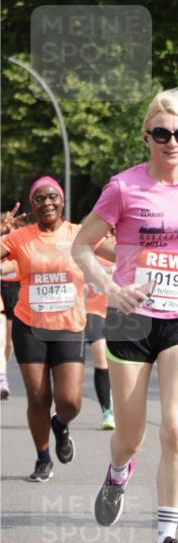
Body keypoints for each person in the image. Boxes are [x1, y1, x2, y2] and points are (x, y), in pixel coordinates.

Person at [72, 88, 178, 543]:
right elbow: (81, 246)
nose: (172, 142)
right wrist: (111, 289)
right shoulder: (123, 187)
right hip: (131, 317)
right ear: (146, 136)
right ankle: (118, 472)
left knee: (177, 429)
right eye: (162, 133)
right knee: (131, 436)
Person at [0, 183, 86, 482]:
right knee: (38, 398)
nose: (46, 202)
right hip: (30, 327)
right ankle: (43, 457)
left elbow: (116, 253)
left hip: (69, 326)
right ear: (32, 204)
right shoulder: (19, 237)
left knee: (70, 402)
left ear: (62, 200)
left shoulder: (78, 234)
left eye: (52, 197)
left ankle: (60, 424)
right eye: (39, 198)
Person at [84, 250, 115, 430]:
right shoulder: (86, 250)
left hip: (118, 311)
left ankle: (115, 396)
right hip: (92, 310)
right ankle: (107, 411)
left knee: (118, 363)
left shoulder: (121, 247)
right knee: (101, 358)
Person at [1, 203, 27, 399]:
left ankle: (2, 372)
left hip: (15, 289)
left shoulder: (20, 240)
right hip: (2, 288)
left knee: (8, 342)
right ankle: (2, 377)